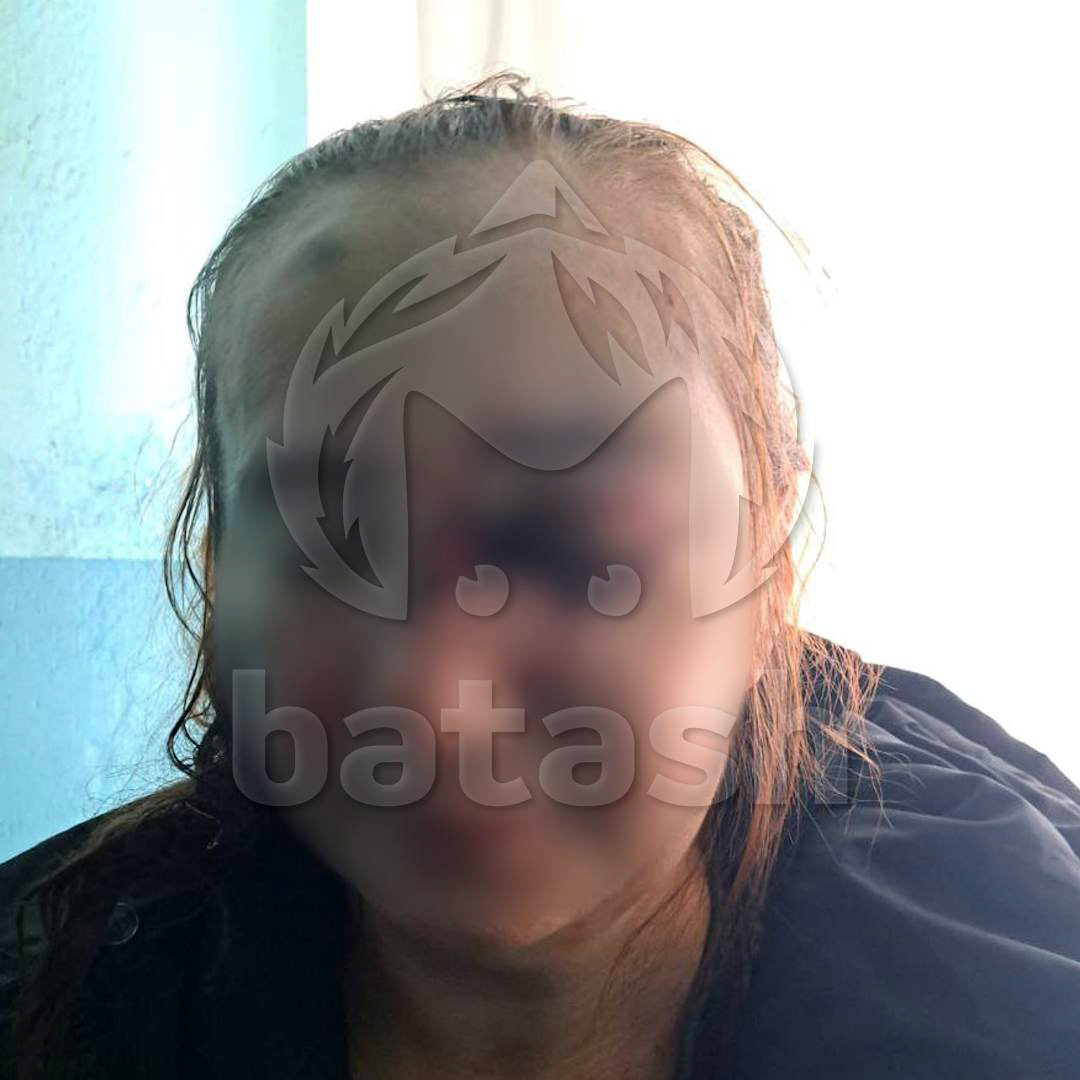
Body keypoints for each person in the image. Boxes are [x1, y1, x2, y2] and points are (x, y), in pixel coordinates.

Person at [2, 74, 1079, 1080]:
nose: (438, 706)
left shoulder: (1025, 1014)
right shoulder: (53, 1005)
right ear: (222, 585)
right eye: (323, 555)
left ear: (768, 572)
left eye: (582, 552)